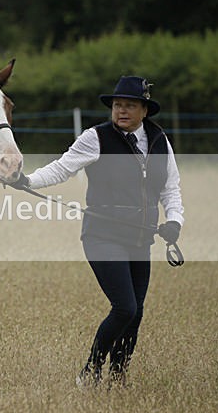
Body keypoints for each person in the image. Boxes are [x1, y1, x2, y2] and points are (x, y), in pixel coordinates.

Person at [12, 76, 184, 387]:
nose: (121, 111)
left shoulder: (160, 141)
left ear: (145, 110)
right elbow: (62, 168)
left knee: (137, 313)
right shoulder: (96, 138)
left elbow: (170, 188)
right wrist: (27, 181)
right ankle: (90, 371)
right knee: (124, 307)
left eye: (129, 106)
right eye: (118, 105)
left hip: (140, 238)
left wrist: (174, 221)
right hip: (102, 236)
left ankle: (118, 377)